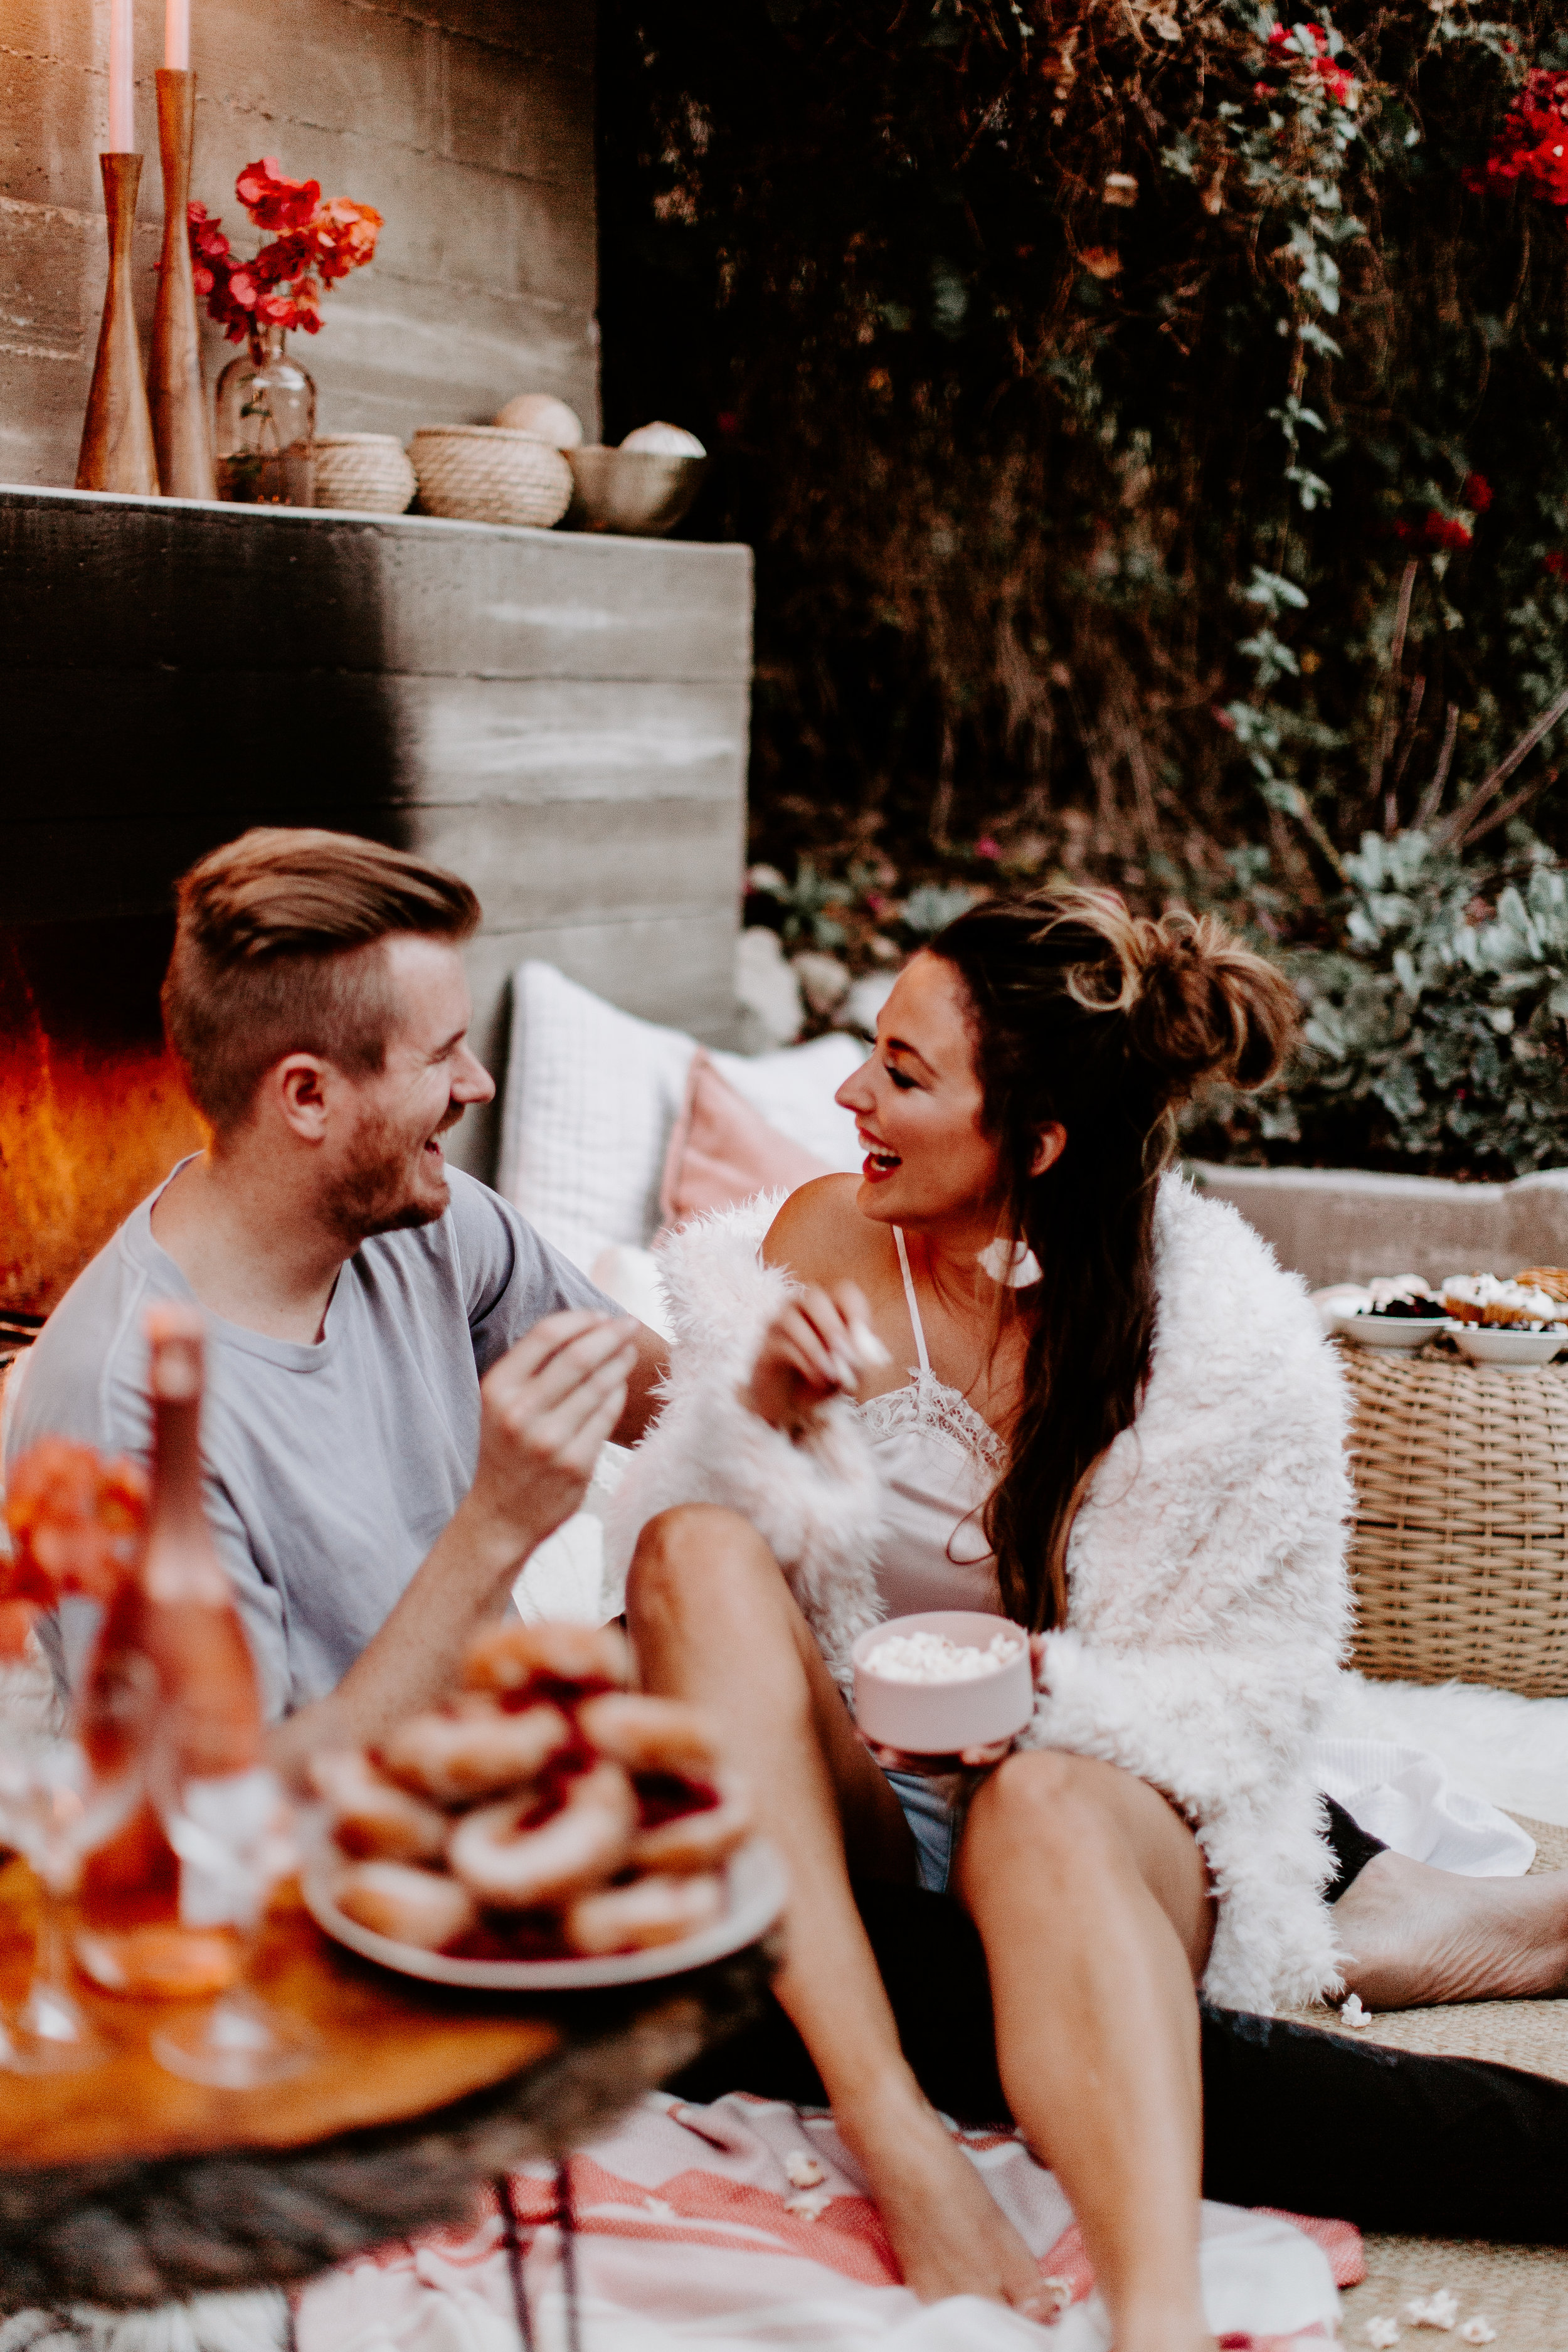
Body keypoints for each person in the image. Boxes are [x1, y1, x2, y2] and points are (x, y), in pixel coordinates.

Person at [602, 888, 1568, 2351]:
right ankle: (907, 2141)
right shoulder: (814, 1242)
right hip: (856, 1801)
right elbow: (681, 1618)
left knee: (1041, 1814)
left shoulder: (1221, 1341)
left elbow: (1250, 1700)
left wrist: (1041, 1709)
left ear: (1036, 1142)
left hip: (1081, 1801)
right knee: (689, 1547)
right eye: (868, 1053)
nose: (851, 1094)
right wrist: (763, 1435)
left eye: (904, 1074)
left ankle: (1157, 2325)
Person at [6, 827, 670, 1767]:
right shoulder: (124, 1420)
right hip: (344, 1889)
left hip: (519, 1779)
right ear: (308, 1095)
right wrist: (494, 1529)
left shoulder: (430, 1221)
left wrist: (766, 1381)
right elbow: (222, 1834)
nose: (476, 1084)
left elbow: (670, 1402)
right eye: (441, 1054)